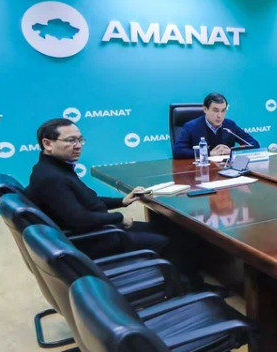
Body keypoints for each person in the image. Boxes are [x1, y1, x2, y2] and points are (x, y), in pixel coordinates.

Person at [28, 118, 200, 285]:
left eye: (80, 140)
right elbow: (79, 219)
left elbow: (86, 200)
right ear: (47, 144)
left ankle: (193, 275)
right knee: (168, 241)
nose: (78, 145)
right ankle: (189, 286)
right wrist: (119, 217)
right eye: (71, 140)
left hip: (99, 230)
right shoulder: (51, 178)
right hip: (95, 239)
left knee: (171, 229)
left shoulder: (55, 168)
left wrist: (122, 201)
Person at [172, 93, 259, 159]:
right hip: (201, 171)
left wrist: (232, 151)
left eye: (223, 110)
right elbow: (178, 151)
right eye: (215, 110)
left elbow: (254, 144)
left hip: (226, 170)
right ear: (205, 109)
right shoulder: (191, 127)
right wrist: (209, 153)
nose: (219, 115)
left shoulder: (230, 125)